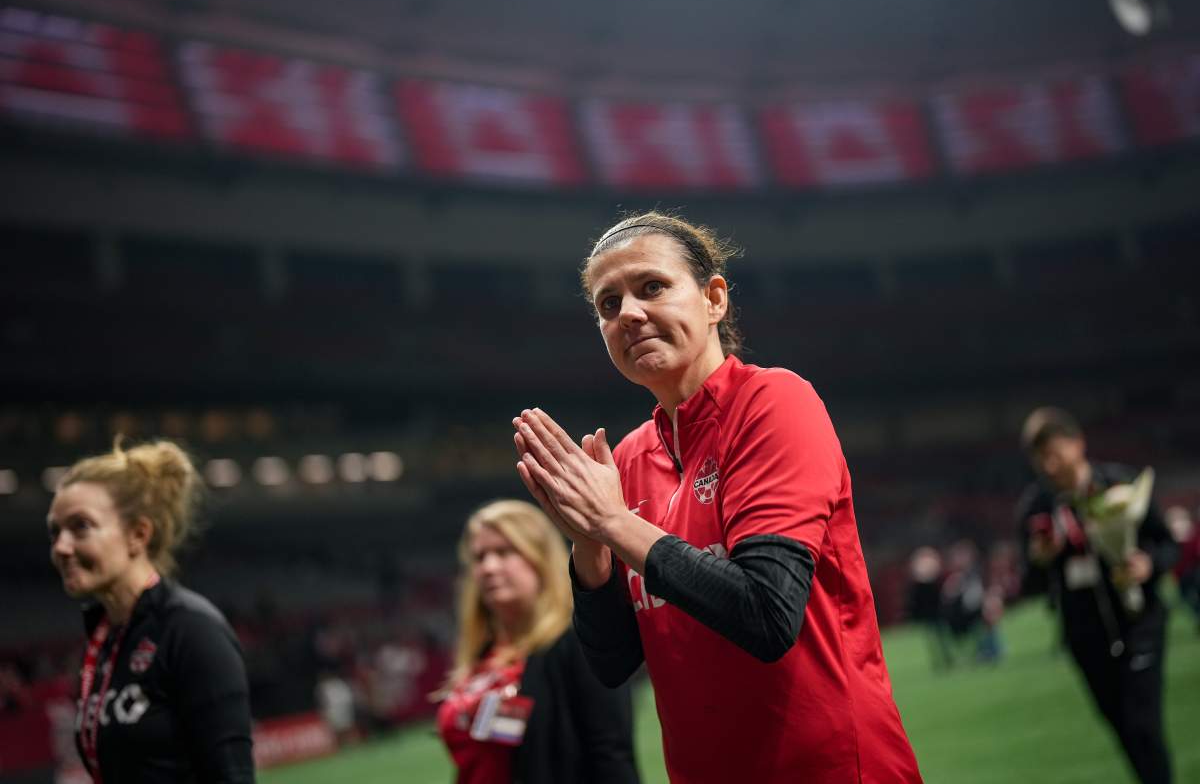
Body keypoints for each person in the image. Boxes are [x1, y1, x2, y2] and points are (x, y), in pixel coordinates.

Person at [512, 212, 922, 783]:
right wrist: (589, 546)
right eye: (608, 305)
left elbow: (766, 613)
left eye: (651, 287)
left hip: (832, 768)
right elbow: (612, 663)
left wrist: (614, 522)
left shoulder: (774, 404)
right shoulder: (625, 461)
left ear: (713, 298)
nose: (628, 313)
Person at [46, 438, 254, 783]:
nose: (61, 547)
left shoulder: (192, 630)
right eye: (55, 532)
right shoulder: (104, 641)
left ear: (138, 535)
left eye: (80, 526)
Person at [1017, 407, 1177, 784]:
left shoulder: (1120, 485)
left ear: (1078, 444)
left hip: (1140, 622)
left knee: (1144, 726)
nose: (1049, 464)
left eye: (1054, 452)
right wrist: (1040, 561)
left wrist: (1148, 565)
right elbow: (1029, 585)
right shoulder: (1036, 509)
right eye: (1041, 457)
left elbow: (1167, 543)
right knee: (1124, 730)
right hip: (1085, 636)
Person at [435, 499, 639, 784]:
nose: (489, 567)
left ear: (539, 557)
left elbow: (610, 752)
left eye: (504, 552)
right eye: (480, 557)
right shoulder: (483, 653)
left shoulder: (578, 642)